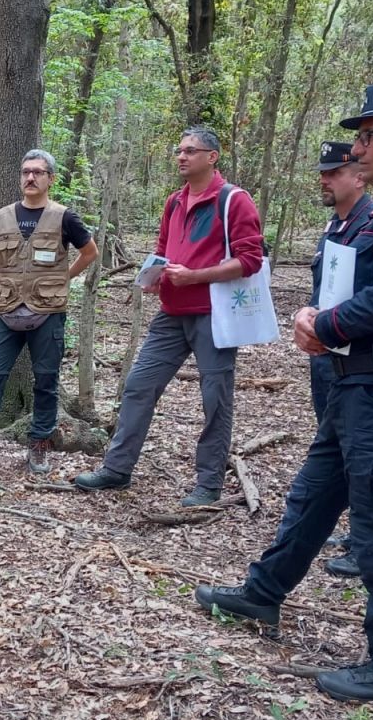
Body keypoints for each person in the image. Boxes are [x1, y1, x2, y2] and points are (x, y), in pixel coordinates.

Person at [194, 83, 373, 705]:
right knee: (315, 495)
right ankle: (263, 592)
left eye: (371, 136)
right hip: (361, 385)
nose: (359, 149)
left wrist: (325, 324)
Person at [73, 126, 264, 506]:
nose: (181, 156)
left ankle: (208, 484)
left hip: (214, 315)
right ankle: (117, 468)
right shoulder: (174, 201)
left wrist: (196, 276)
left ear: (212, 157)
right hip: (171, 313)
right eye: (179, 150)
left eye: (190, 151)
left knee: (215, 398)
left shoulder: (234, 200)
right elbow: (163, 248)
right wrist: (154, 275)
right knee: (138, 385)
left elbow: (250, 260)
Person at [0, 149, 97, 474]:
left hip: (48, 311)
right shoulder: (3, 217)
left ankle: (39, 445)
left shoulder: (64, 217)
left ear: (50, 179)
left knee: (45, 380)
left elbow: (89, 252)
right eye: (26, 172)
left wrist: (63, 278)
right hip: (5, 309)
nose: (30, 177)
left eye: (38, 172)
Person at [309, 141, 372, 579]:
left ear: (359, 176)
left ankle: (366, 543)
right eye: (323, 173)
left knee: (360, 449)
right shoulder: (335, 225)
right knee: (335, 444)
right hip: (326, 355)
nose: (324, 180)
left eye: (334, 173)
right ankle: (353, 532)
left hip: (356, 358)